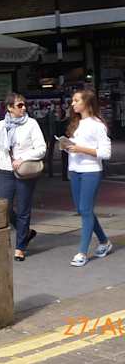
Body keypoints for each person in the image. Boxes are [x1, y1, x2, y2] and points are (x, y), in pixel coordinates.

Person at [0, 92, 46, 261]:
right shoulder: (0, 126)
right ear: (9, 108)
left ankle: (20, 247)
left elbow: (41, 148)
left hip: (24, 171)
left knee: (24, 209)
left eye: (24, 104)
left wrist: (23, 158)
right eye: (19, 105)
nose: (24, 108)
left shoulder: (31, 124)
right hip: (5, 170)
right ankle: (25, 232)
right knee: (4, 207)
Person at [65, 88, 113, 267]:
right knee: (83, 209)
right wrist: (68, 147)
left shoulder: (97, 125)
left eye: (76, 100)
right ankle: (104, 241)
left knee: (85, 209)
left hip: (91, 171)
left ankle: (82, 252)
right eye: (72, 100)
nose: (73, 104)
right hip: (74, 170)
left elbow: (105, 153)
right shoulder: (76, 123)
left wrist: (80, 149)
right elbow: (75, 148)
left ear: (87, 103)